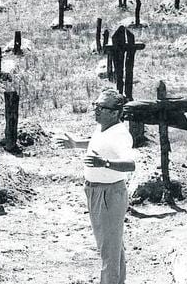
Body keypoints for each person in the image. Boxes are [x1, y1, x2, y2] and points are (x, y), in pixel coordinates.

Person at [57, 88, 136, 284]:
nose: (96, 110)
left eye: (101, 107)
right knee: (113, 247)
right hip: (96, 191)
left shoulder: (120, 134)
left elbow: (131, 163)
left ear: (115, 112)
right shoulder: (104, 127)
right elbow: (97, 143)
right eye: (96, 105)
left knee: (108, 251)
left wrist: (106, 163)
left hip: (109, 194)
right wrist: (76, 144)